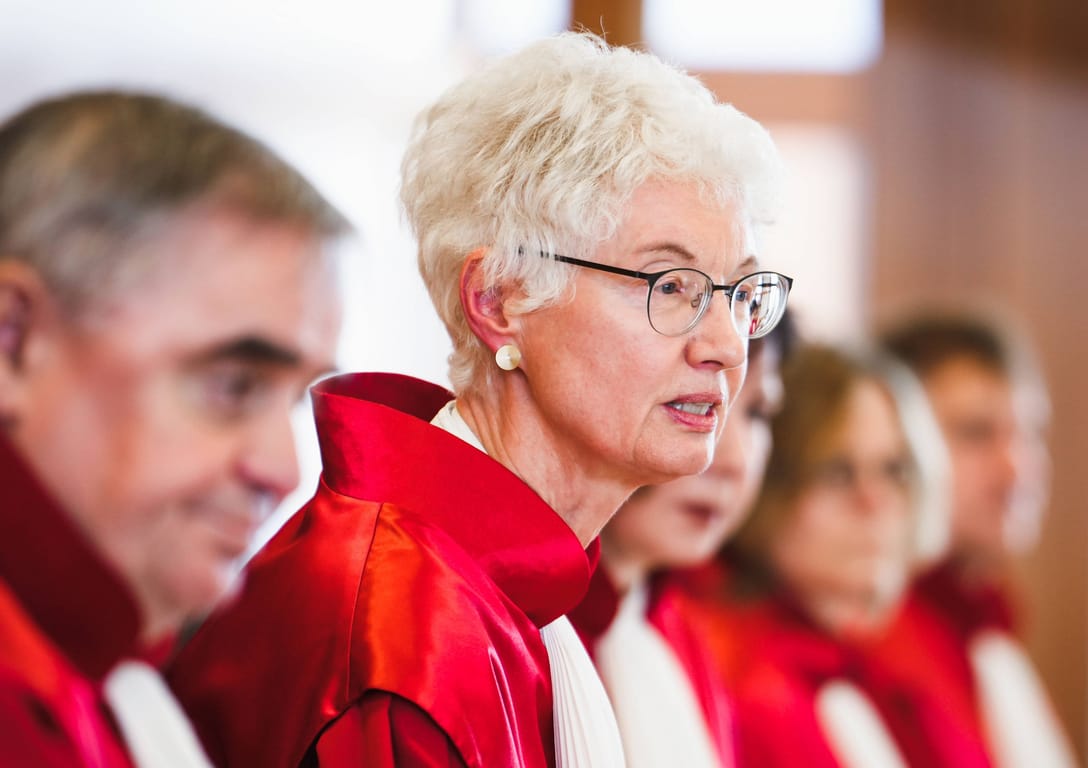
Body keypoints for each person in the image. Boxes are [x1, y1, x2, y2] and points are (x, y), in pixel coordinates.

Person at [168, 32, 789, 768]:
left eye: (740, 292)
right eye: (670, 286)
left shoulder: (517, 588)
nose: (722, 343)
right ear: (498, 300)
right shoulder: (406, 633)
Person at [0, 91, 346, 766]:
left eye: (295, 400)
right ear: (14, 342)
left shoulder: (106, 667)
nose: (285, 470)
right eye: (234, 386)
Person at [690, 343, 992, 767]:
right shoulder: (736, 672)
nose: (874, 501)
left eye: (894, 470)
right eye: (837, 471)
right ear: (770, 483)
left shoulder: (904, 655)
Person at [568, 315, 793, 768]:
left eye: (756, 413)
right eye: (693, 403)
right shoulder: (526, 631)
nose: (731, 459)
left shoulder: (682, 631)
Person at [882, 313, 1075, 767]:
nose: (1017, 468)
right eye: (976, 433)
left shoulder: (986, 630)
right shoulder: (876, 644)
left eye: (1030, 434)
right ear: (896, 446)